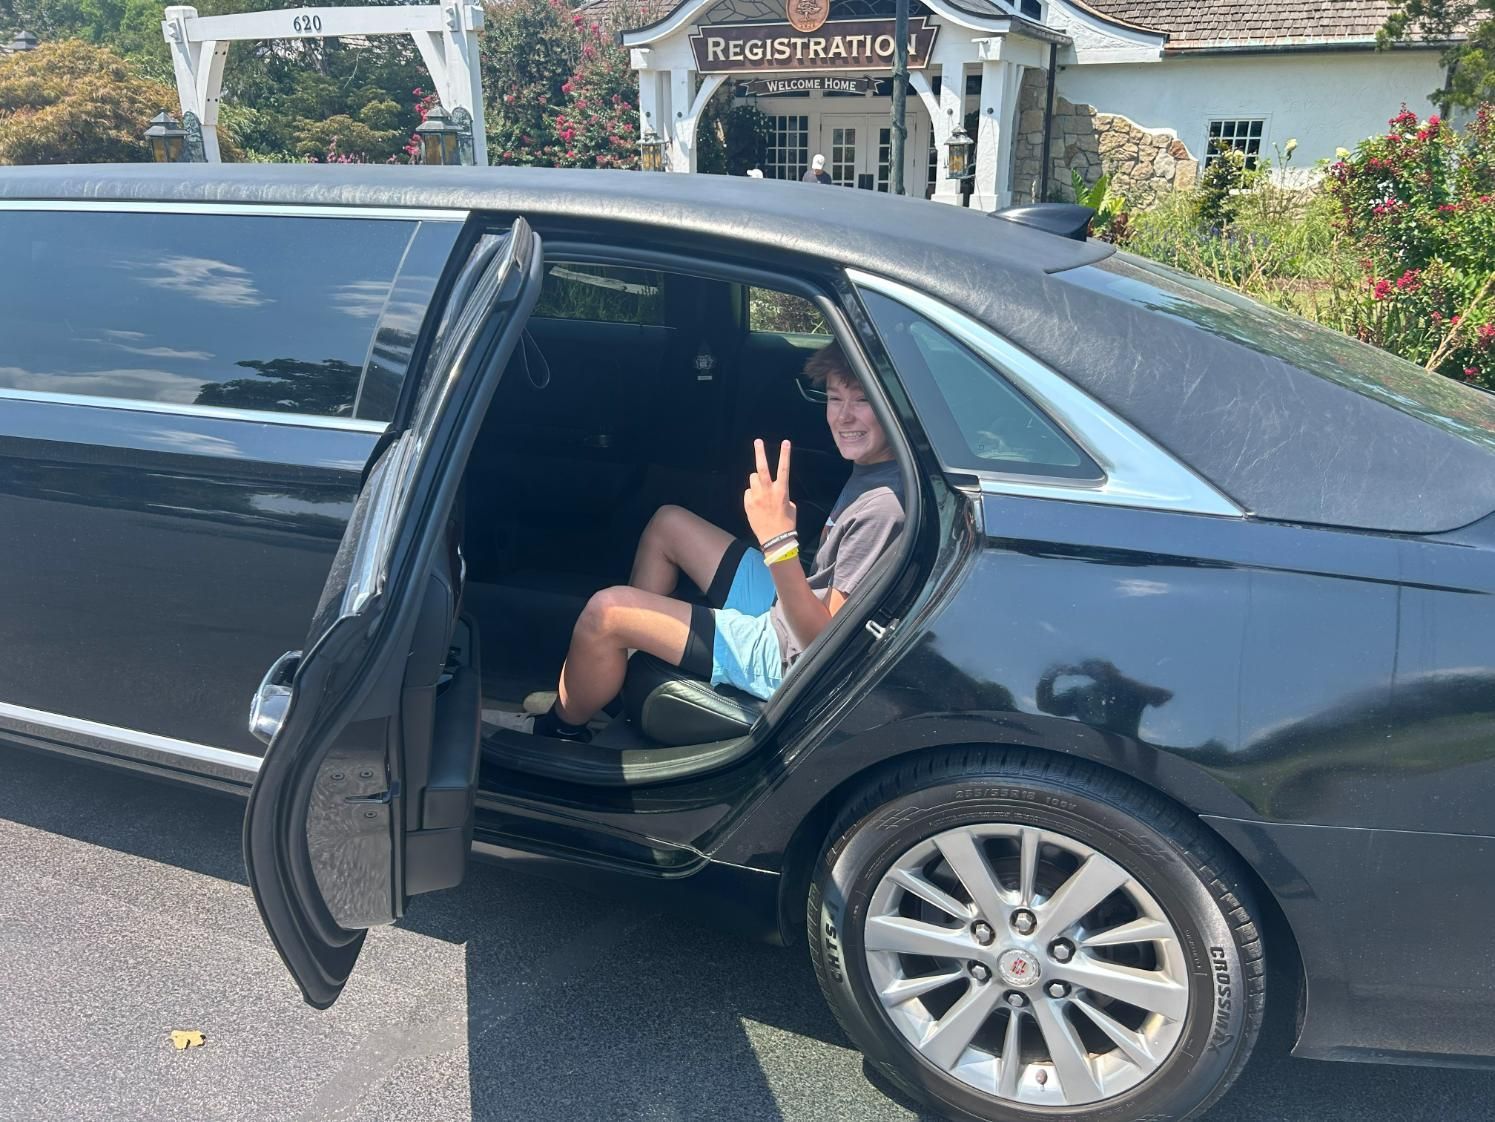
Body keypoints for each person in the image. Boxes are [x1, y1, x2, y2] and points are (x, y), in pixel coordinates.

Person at [520, 341, 905, 743]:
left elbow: (822, 644)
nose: (844, 416)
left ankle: (557, 729)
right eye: (833, 397)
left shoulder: (883, 509)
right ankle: (606, 678)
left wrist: (777, 541)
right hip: (801, 603)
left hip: (790, 653)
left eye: (862, 401)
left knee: (605, 612)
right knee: (668, 524)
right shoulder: (880, 467)